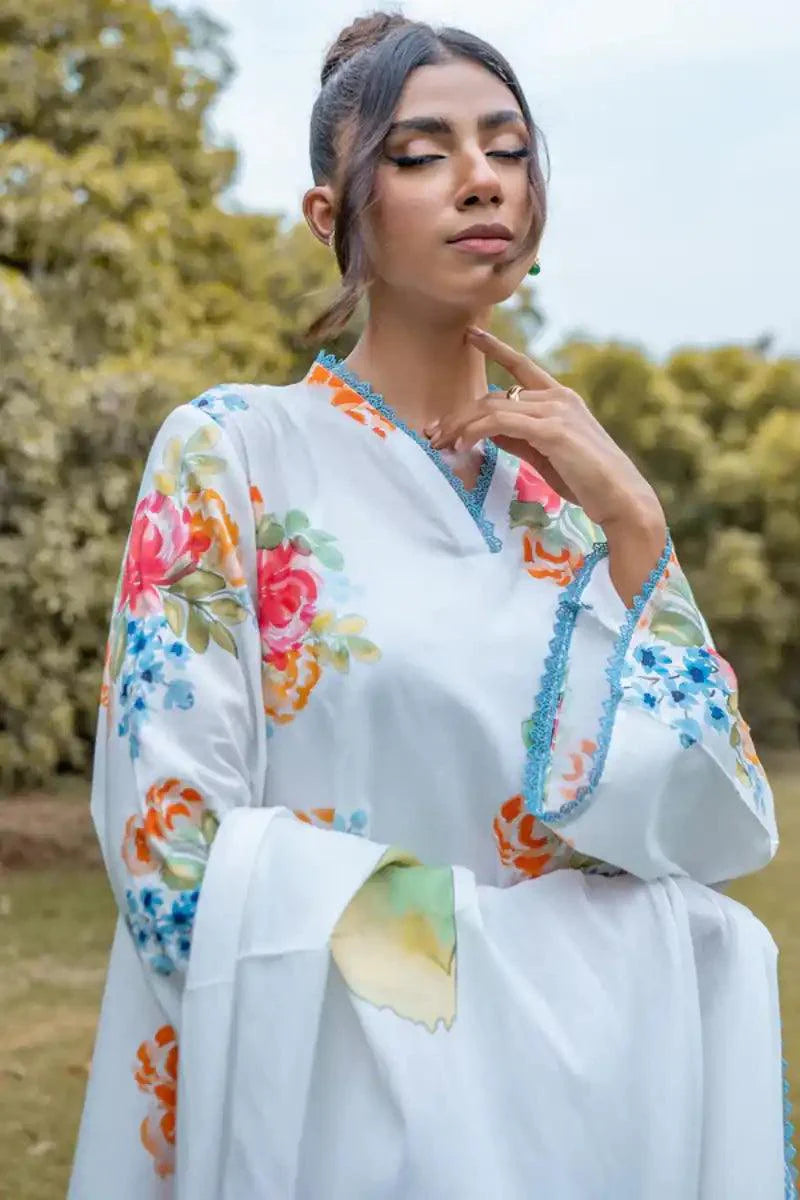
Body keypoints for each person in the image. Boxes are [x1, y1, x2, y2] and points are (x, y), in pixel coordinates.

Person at [69, 11, 795, 1199]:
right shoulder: (234, 452)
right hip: (328, 1116)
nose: (481, 180)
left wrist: (635, 527)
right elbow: (171, 854)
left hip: (570, 1134)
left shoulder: (568, 511)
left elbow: (712, 826)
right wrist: (479, 999)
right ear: (330, 216)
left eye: (509, 149)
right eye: (420, 154)